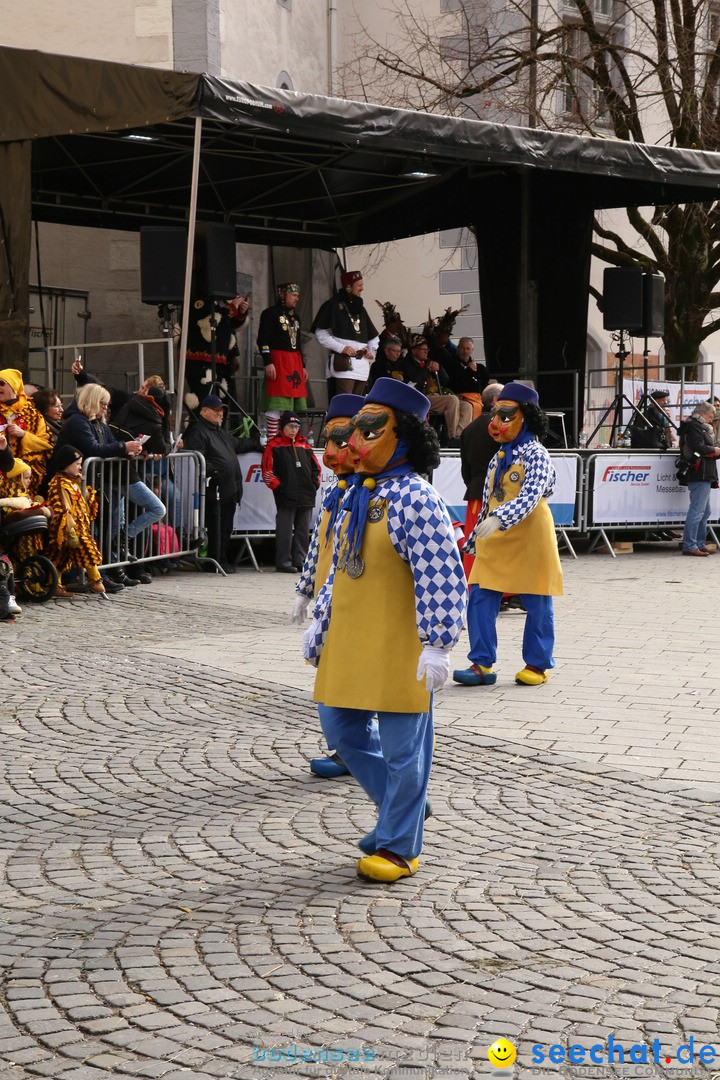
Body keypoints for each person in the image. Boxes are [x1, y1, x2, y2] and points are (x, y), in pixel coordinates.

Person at [306, 378, 467, 883]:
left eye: (369, 431)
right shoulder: (353, 494)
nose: (353, 443)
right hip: (350, 638)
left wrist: (438, 642)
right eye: (355, 430)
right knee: (340, 728)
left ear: (405, 437)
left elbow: (442, 573)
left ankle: (399, 845)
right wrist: (319, 619)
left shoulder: (416, 498)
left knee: (404, 751)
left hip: (400, 644)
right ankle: (407, 809)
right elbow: (339, 566)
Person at [453, 381, 563, 688]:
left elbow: (532, 494)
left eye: (505, 416)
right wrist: (477, 537)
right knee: (480, 596)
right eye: (495, 416)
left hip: (531, 535)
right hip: (497, 535)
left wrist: (500, 518)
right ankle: (481, 663)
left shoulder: (536, 453)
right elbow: (489, 498)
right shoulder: (500, 456)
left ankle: (537, 665)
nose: (495, 424)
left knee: (538, 599)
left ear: (525, 417)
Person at [293, 393, 365, 779]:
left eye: (342, 441)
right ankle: (347, 749)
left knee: (349, 678)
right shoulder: (332, 489)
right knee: (330, 675)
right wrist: (305, 589)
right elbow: (317, 546)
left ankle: (358, 750)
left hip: (352, 599)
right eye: (328, 441)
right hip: (327, 599)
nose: (332, 452)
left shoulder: (366, 490)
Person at [56, 383, 164, 587]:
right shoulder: (78, 421)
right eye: (102, 404)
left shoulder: (98, 423)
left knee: (105, 528)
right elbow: (93, 448)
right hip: (77, 482)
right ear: (92, 402)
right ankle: (88, 574)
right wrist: (124, 447)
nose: (106, 408)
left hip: (98, 481)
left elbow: (110, 443)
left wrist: (128, 450)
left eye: (107, 404)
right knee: (89, 531)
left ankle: (105, 571)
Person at [183, 394, 244, 573]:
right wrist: (214, 472)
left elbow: (236, 445)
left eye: (222, 410)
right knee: (216, 525)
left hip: (229, 487)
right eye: (216, 410)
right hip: (214, 488)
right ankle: (215, 560)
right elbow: (197, 457)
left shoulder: (220, 431)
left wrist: (258, 445)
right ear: (204, 411)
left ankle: (222, 558)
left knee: (226, 526)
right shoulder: (198, 431)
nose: (220, 413)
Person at [262, 410, 321, 573]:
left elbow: (317, 469)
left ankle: (300, 560)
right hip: (286, 495)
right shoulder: (274, 445)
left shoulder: (305, 445)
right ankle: (283, 563)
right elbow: (267, 471)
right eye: (290, 426)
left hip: (306, 495)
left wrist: (314, 485)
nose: (294, 429)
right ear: (283, 427)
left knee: (303, 531)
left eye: (296, 426)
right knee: (285, 531)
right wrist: (279, 488)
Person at [46, 445, 106, 595]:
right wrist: (69, 529)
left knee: (62, 558)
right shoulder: (59, 483)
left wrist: (81, 485)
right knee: (85, 548)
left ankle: (55, 584)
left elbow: (83, 502)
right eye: (77, 464)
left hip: (80, 526)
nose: (80, 468)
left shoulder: (72, 482)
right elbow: (63, 507)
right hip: (68, 529)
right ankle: (95, 579)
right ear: (66, 465)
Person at [459, 381, 504, 577]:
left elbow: (465, 469)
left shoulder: (469, 429)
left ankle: (474, 586)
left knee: (474, 544)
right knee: (500, 543)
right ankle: (506, 592)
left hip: (475, 492)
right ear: (496, 400)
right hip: (500, 494)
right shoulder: (501, 428)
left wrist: (474, 484)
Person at [311, 271, 380, 396]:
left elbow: (374, 337)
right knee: (344, 404)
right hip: (344, 365)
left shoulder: (360, 309)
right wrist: (342, 348)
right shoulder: (332, 305)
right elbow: (320, 334)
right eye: (359, 285)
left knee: (358, 406)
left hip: (362, 366)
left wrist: (371, 351)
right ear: (349, 286)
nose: (362, 288)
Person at [257, 283, 308, 442]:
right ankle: (272, 441)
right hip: (278, 362)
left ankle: (286, 441)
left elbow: (298, 344)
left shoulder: (296, 318)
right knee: (276, 404)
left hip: (294, 363)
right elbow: (263, 340)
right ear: (283, 295)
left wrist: (303, 366)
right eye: (294, 295)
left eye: (297, 296)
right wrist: (268, 361)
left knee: (290, 406)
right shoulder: (270, 314)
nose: (297, 299)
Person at [182, 295, 250, 413]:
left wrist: (240, 312)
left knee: (221, 404)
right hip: (201, 361)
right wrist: (232, 308)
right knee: (203, 403)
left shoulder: (221, 301)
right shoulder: (198, 297)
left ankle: (216, 430)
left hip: (221, 361)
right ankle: (197, 431)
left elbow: (228, 325)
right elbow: (210, 319)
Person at [403, 335, 471, 445]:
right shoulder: (407, 364)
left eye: (427, 350)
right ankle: (452, 436)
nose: (426, 352)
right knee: (451, 400)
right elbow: (413, 382)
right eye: (423, 350)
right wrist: (426, 370)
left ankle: (460, 436)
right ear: (414, 351)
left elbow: (445, 381)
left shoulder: (428, 361)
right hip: (420, 398)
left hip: (435, 397)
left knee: (467, 406)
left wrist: (439, 370)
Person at [0, 368, 53, 497]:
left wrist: (24, 435)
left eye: (1, 383)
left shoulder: (32, 413)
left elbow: (47, 444)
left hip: (26, 477)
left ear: (13, 386)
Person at [678, 401, 720, 556]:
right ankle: (690, 544)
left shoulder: (698, 425)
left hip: (704, 472)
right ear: (702, 413)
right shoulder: (694, 425)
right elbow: (698, 447)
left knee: (705, 511)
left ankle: (699, 542)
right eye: (710, 416)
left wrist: (715, 451)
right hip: (699, 472)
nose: (711, 419)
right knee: (697, 510)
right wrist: (714, 450)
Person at [445, 337, 489, 420]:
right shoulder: (451, 365)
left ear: (472, 350)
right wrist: (469, 371)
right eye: (462, 348)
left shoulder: (480, 367)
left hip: (478, 399)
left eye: (468, 348)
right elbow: (454, 383)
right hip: (460, 398)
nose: (465, 351)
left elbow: (484, 381)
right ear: (458, 349)